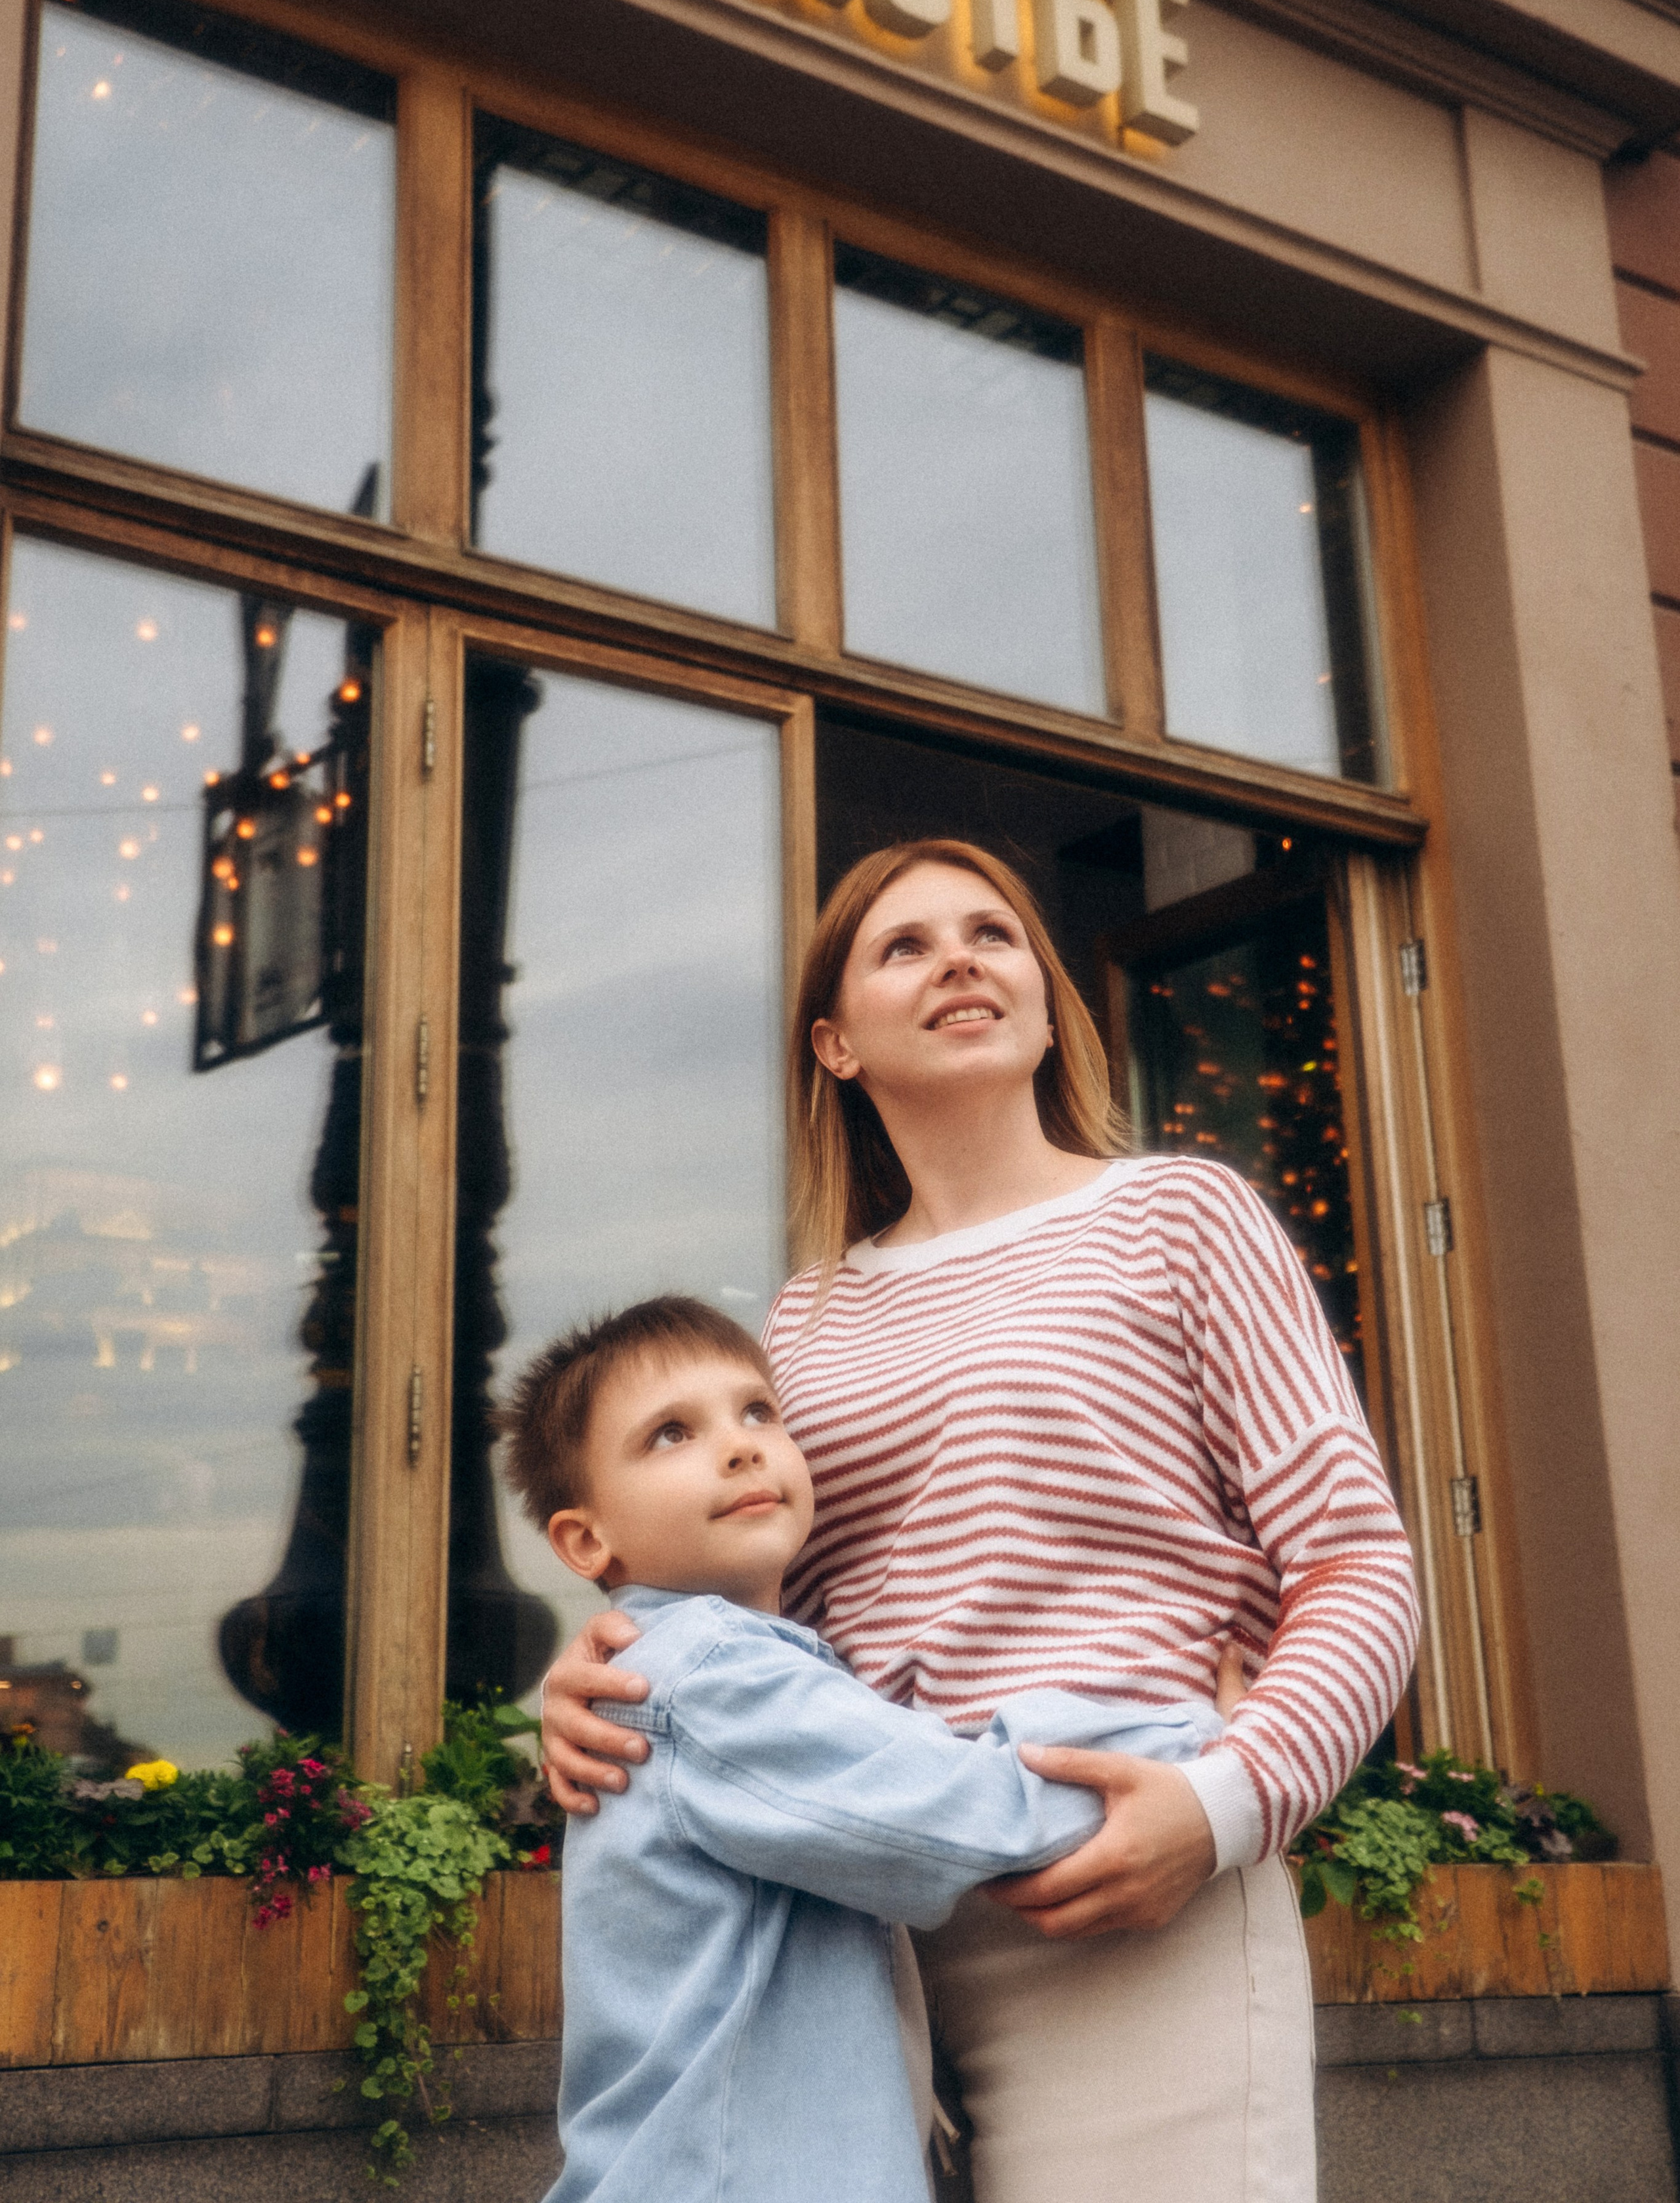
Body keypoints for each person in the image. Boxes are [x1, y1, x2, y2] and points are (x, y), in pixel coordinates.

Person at [540, 840, 1421, 2202]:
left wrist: (1224, 1803)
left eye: (992, 934)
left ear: (1042, 996)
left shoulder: (1180, 1215)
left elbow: (1356, 1566)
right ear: (834, 1045)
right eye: (904, 945)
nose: (959, 957)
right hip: (856, 1918)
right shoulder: (807, 1318)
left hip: (1127, 1889)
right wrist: (605, 1678)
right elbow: (766, 1620)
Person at [499, 1291, 1245, 2203]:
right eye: (670, 1435)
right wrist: (1192, 1736)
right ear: (585, 1539)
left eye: (758, 1411)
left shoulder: (707, 1675)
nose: (739, 1445)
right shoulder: (714, 1683)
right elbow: (968, 1810)